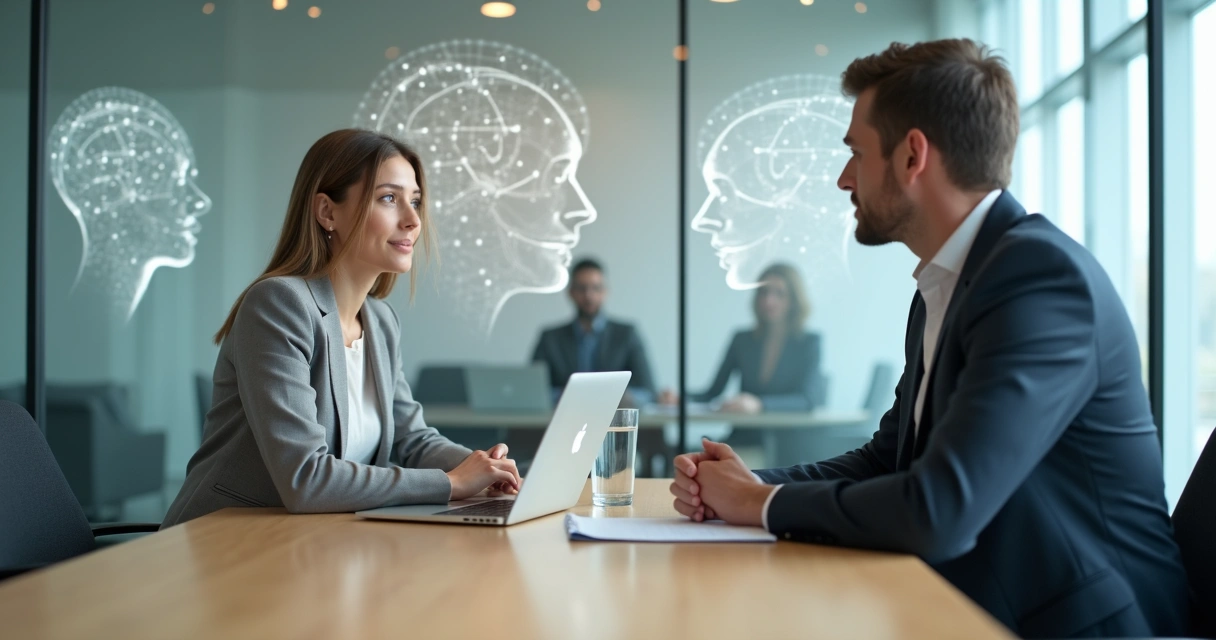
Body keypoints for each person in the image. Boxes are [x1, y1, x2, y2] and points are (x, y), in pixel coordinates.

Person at [670, 39, 1189, 638]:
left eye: (856, 154)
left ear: (912, 155)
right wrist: (754, 483)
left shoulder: (1041, 282)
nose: (844, 179)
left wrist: (756, 506)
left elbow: (939, 510)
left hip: (1074, 624)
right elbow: (888, 459)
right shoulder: (950, 281)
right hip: (971, 601)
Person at [163, 129, 520, 527]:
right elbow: (306, 478)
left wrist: (485, 470)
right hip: (227, 543)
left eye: (415, 201)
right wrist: (451, 483)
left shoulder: (381, 322)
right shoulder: (279, 305)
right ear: (327, 212)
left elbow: (411, 439)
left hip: (314, 541)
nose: (413, 220)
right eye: (389, 198)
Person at [660, 263, 824, 414]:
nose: (769, 300)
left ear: (794, 300)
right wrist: (681, 398)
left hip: (788, 437)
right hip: (745, 434)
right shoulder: (742, 340)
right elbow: (713, 392)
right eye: (763, 292)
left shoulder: (809, 343)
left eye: (779, 293)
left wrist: (760, 404)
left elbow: (808, 400)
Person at [531, 258, 658, 407]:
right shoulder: (550, 338)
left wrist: (620, 397)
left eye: (596, 288)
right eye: (582, 288)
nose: (589, 296)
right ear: (571, 292)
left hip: (613, 422)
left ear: (605, 292)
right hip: (565, 420)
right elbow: (534, 391)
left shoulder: (626, 334)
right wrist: (565, 396)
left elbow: (648, 391)